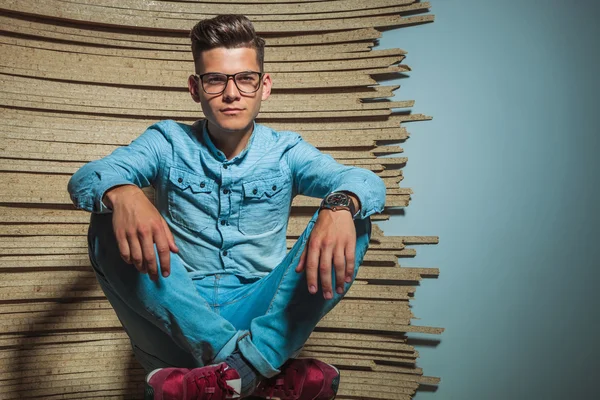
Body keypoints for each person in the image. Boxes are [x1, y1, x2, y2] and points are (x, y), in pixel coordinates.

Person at [67, 14, 386, 400]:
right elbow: (88, 177)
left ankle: (238, 370)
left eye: (245, 79)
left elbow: (364, 181)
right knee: (105, 219)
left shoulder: (286, 151)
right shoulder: (166, 141)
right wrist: (125, 194)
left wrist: (339, 206)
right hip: (177, 318)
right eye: (216, 79)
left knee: (355, 218)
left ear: (263, 86)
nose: (231, 93)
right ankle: (258, 371)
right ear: (195, 88)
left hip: (261, 315)